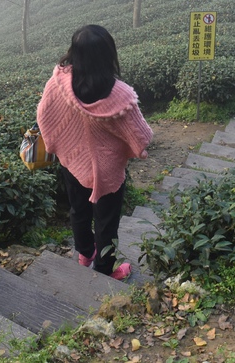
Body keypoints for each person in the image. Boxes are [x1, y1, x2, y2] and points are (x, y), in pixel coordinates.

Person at [36, 24, 153, 281]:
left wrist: (57, 143)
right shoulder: (120, 94)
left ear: (74, 52)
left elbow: (43, 115)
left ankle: (84, 254)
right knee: (106, 221)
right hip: (108, 172)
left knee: (78, 210)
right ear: (107, 53)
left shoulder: (59, 83)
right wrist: (136, 151)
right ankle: (105, 269)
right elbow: (142, 136)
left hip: (72, 162)